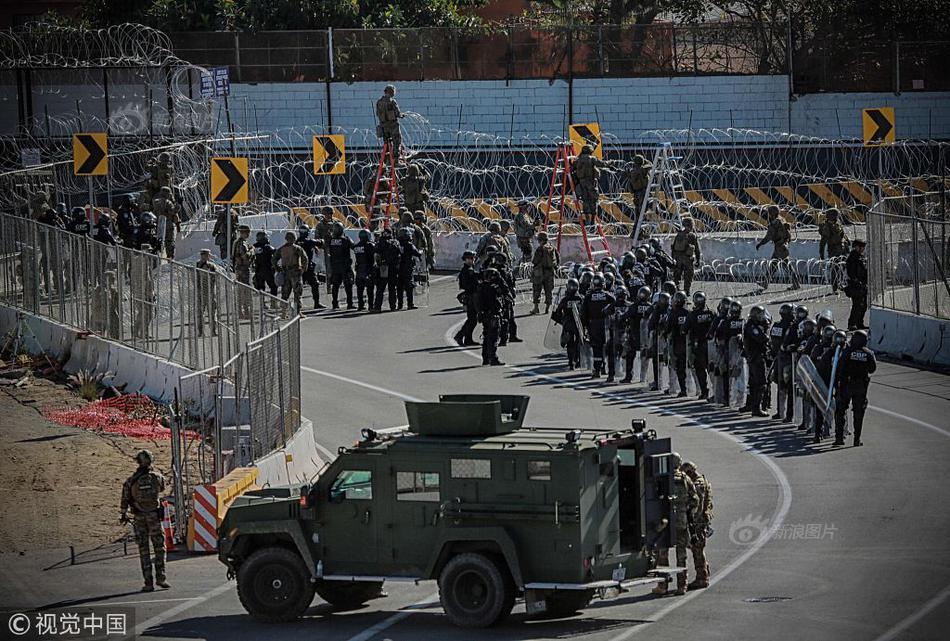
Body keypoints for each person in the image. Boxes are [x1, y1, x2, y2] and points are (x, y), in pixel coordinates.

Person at [120, 449, 169, 592]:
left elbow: (124, 499)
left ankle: (148, 582)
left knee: (144, 550)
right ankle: (162, 578)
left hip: (139, 518)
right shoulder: (158, 477)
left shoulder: (131, 481)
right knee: (159, 548)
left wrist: (123, 514)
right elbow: (161, 489)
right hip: (154, 517)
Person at [653, 452, 698, 596]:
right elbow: (695, 499)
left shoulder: (663, 478)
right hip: (681, 519)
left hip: (665, 520)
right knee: (681, 553)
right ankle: (681, 586)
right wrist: (686, 510)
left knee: (662, 553)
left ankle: (663, 585)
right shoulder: (685, 479)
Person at [834, 330, 875, 446]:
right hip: (861, 386)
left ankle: (839, 438)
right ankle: (857, 440)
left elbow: (840, 367)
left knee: (841, 410)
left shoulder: (847, 351)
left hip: (847, 384)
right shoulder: (868, 353)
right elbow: (872, 369)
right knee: (859, 413)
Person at [680, 461, 712, 590]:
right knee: (698, 549)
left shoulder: (698, 484)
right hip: (700, 521)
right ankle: (704, 575)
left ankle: (702, 578)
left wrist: (691, 521)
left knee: (697, 549)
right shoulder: (702, 480)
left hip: (698, 522)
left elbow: (697, 507)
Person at [755, 205, 800, 290]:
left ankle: (796, 284)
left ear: (771, 213)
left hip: (780, 248)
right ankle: (765, 282)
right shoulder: (782, 220)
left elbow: (768, 237)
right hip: (782, 246)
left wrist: (760, 244)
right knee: (773, 265)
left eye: (769, 213)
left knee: (787, 267)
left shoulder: (775, 223)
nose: (768, 214)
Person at [581, 274, 616, 379]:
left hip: (594, 325)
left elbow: (583, 314)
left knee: (597, 348)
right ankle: (609, 371)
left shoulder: (588, 297)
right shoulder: (609, 296)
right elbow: (616, 307)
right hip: (607, 324)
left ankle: (597, 370)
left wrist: (585, 326)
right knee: (608, 348)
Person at [742, 305, 770, 417]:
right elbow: (762, 338)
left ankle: (752, 405)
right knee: (760, 383)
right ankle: (756, 407)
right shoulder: (751, 326)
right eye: (760, 315)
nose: (762, 317)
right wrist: (766, 329)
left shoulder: (755, 325)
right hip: (756, 357)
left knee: (753, 382)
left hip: (754, 357)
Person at [620, 286, 651, 383]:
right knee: (646, 356)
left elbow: (624, 316)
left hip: (635, 335)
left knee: (630, 355)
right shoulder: (651, 307)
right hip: (647, 336)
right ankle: (645, 377)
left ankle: (629, 376)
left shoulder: (634, 306)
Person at [769, 304, 795, 421]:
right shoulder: (791, 327)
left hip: (778, 357)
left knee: (781, 386)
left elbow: (772, 341)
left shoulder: (776, 326)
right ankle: (788, 414)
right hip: (788, 359)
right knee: (789, 386)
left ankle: (780, 412)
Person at [686, 291, 714, 399]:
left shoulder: (692, 315)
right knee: (711, 369)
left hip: (698, 346)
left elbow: (684, 329)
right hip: (711, 345)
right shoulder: (711, 312)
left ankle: (704, 391)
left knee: (700, 369)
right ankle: (715, 391)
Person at [551, 278, 583, 369]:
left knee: (570, 343)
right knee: (579, 342)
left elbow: (558, 311)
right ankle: (577, 360)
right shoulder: (581, 298)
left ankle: (571, 362)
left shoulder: (565, 300)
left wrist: (561, 320)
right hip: (578, 323)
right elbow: (585, 311)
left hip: (568, 323)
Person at [476, 267, 505, 366]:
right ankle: (493, 358)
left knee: (486, 336)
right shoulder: (492, 289)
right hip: (492, 315)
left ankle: (486, 358)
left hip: (484, 315)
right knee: (493, 337)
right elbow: (499, 299)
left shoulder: (481, 287)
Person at [274, 232, 308, 311]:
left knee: (285, 294)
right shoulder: (297, 248)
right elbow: (305, 259)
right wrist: (303, 269)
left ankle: (283, 312)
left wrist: (278, 268)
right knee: (297, 293)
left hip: (285, 272)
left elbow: (274, 259)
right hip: (295, 272)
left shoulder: (281, 249)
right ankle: (297, 312)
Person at [572, 144, 608, 219]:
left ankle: (587, 219)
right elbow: (602, 164)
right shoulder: (592, 158)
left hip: (582, 183)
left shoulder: (578, 159)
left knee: (585, 199)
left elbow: (573, 165)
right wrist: (611, 162)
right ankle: (593, 219)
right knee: (593, 199)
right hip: (591, 182)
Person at [666, 291, 691, 397]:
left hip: (678, 344)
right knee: (691, 366)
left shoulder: (673, 313)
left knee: (679, 367)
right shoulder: (689, 313)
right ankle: (695, 388)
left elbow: (667, 328)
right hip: (689, 343)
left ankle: (683, 389)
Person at [454, 250, 480, 346]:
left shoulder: (469, 269)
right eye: (470, 258)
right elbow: (468, 285)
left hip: (470, 296)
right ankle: (460, 335)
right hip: (471, 296)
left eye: (472, 258)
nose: (472, 260)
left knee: (472, 319)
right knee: (472, 319)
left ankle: (468, 339)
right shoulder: (468, 271)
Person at [296, 226, 325, 310]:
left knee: (297, 287)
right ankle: (316, 303)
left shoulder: (297, 241)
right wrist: (322, 239)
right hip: (307, 267)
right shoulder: (308, 241)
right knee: (315, 284)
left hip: (299, 267)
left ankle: (297, 306)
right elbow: (320, 243)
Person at [327, 222, 355, 309]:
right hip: (345, 266)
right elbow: (353, 246)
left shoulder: (331, 240)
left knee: (335, 285)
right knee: (348, 285)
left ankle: (335, 303)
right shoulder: (345, 239)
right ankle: (350, 303)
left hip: (335, 266)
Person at [530, 231, 559, 314]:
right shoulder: (552, 247)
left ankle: (536, 308)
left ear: (540, 240)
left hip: (540, 272)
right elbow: (557, 258)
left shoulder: (540, 249)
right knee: (549, 290)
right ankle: (547, 308)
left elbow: (535, 261)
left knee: (537, 290)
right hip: (550, 272)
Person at [605, 286, 629, 384]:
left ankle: (611, 375)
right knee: (626, 354)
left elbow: (605, 311)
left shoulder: (612, 305)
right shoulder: (629, 305)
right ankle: (627, 374)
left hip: (618, 334)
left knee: (612, 354)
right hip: (624, 334)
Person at [671, 218, 701, 295]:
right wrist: (698, 260)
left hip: (678, 259)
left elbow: (673, 247)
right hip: (687, 259)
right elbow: (697, 250)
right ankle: (686, 291)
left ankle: (676, 290)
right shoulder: (692, 235)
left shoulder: (679, 234)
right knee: (688, 276)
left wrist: (673, 259)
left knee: (677, 276)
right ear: (691, 225)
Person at [374, 228, 401, 312]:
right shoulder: (395, 242)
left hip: (383, 267)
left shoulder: (380, 243)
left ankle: (378, 307)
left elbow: (376, 254)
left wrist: (378, 264)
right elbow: (399, 254)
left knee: (380, 288)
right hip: (392, 267)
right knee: (392, 288)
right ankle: (393, 306)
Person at [230, 224, 254, 319]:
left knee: (240, 291)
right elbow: (245, 257)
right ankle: (245, 311)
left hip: (238, 269)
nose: (248, 234)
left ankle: (241, 311)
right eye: (247, 233)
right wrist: (252, 251)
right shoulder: (242, 243)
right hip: (243, 269)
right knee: (245, 291)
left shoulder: (236, 242)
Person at [396, 227, 422, 310]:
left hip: (398, 268)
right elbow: (417, 253)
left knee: (399, 287)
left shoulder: (396, 244)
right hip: (407, 268)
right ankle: (410, 304)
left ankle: (399, 305)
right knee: (409, 287)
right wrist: (421, 251)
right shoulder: (409, 245)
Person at [845, 238, 868, 330]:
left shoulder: (860, 257)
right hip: (856, 285)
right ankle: (852, 324)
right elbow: (851, 274)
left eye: (863, 247)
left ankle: (859, 323)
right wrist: (858, 283)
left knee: (863, 306)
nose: (863, 248)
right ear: (856, 247)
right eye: (861, 246)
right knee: (857, 305)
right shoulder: (853, 258)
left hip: (862, 284)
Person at [375, 84, 404, 159]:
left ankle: (386, 159)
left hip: (383, 127)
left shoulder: (379, 102)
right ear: (391, 92)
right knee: (397, 140)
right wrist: (402, 115)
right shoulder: (392, 101)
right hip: (393, 126)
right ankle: (396, 158)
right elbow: (398, 114)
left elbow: (377, 114)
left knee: (387, 143)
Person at [196, 249, 219, 335]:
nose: (206, 257)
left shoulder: (211, 266)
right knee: (200, 313)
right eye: (205, 255)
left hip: (210, 292)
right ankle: (201, 331)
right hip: (201, 292)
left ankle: (213, 330)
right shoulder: (198, 265)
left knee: (212, 312)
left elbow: (215, 276)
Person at [353, 229, 376, 311]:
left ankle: (360, 305)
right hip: (368, 269)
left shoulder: (356, 246)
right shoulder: (370, 245)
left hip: (359, 269)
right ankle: (371, 305)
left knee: (360, 290)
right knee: (370, 289)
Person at [252, 231, 278, 298]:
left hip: (258, 270)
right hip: (268, 270)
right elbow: (276, 252)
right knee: (273, 286)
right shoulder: (268, 247)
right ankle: (273, 303)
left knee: (260, 288)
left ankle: (262, 304)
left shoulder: (254, 247)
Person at [314, 210, 335, 288]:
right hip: (325, 248)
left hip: (335, 247)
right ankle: (329, 285)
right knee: (327, 267)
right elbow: (316, 237)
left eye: (330, 214)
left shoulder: (336, 223)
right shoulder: (320, 225)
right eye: (328, 214)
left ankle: (335, 282)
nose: (329, 215)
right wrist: (316, 246)